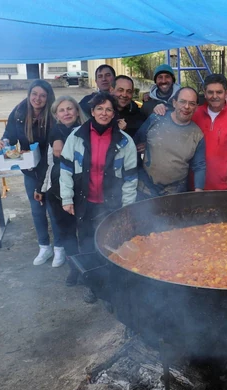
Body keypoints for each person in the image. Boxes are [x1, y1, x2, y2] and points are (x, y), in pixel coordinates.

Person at [60, 92, 137, 303]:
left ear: (114, 114)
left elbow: (130, 177)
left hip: (111, 203)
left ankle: (115, 286)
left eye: (109, 109)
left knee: (112, 244)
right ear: (92, 111)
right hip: (85, 203)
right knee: (86, 244)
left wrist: (127, 207)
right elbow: (65, 168)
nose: (104, 113)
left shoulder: (124, 141)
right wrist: (67, 198)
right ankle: (94, 287)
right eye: (100, 109)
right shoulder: (76, 136)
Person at [0, 80, 58, 266]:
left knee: (54, 209)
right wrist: (5, 140)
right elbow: (10, 134)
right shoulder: (19, 112)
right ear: (29, 94)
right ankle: (44, 247)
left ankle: (60, 248)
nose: (37, 99)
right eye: (34, 94)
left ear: (48, 97)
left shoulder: (54, 114)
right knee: (36, 209)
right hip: (30, 169)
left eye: (42, 95)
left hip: (51, 169)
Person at [41, 96, 86, 282]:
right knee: (67, 233)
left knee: (85, 232)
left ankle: (89, 268)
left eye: (70, 108)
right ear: (56, 115)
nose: (66, 112)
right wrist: (41, 187)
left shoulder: (87, 131)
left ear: (77, 111)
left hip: (83, 191)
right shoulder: (54, 133)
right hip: (59, 192)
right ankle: (74, 269)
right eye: (62, 110)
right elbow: (49, 163)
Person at [134, 87, 206, 198]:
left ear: (196, 107)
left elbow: (199, 166)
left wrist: (198, 190)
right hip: (146, 190)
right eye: (182, 102)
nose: (186, 107)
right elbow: (135, 144)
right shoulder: (156, 119)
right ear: (174, 102)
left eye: (191, 103)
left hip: (176, 193)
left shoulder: (197, 134)